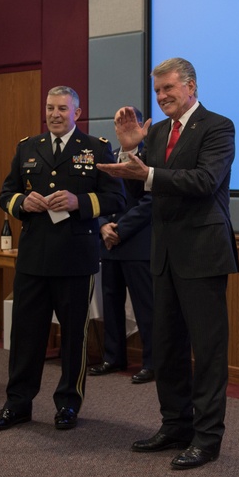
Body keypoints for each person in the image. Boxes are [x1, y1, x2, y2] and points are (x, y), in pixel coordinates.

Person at [97, 58, 239, 470]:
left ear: (191, 86)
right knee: (168, 347)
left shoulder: (218, 127)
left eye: (169, 89)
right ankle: (175, 426)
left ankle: (207, 438)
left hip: (203, 253)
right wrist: (129, 149)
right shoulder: (156, 132)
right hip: (163, 255)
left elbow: (203, 181)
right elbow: (143, 182)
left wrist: (146, 172)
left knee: (208, 352)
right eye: (157, 91)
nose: (161, 97)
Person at [0, 86, 125, 433]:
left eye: (62, 108)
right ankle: (17, 404)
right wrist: (20, 202)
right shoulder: (27, 147)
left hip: (75, 258)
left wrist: (80, 202)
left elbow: (115, 198)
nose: (55, 114)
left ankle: (68, 404)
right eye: (50, 108)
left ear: (77, 112)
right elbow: (5, 192)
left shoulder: (96, 148)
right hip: (33, 256)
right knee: (25, 336)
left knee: (74, 337)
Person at [90, 106, 156, 385]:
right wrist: (103, 224)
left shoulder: (149, 157)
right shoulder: (107, 156)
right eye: (117, 125)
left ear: (141, 127)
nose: (120, 129)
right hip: (109, 242)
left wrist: (122, 229)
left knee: (146, 306)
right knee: (111, 302)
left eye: (127, 124)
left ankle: (153, 363)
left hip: (137, 242)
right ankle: (113, 357)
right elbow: (99, 196)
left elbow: (151, 201)